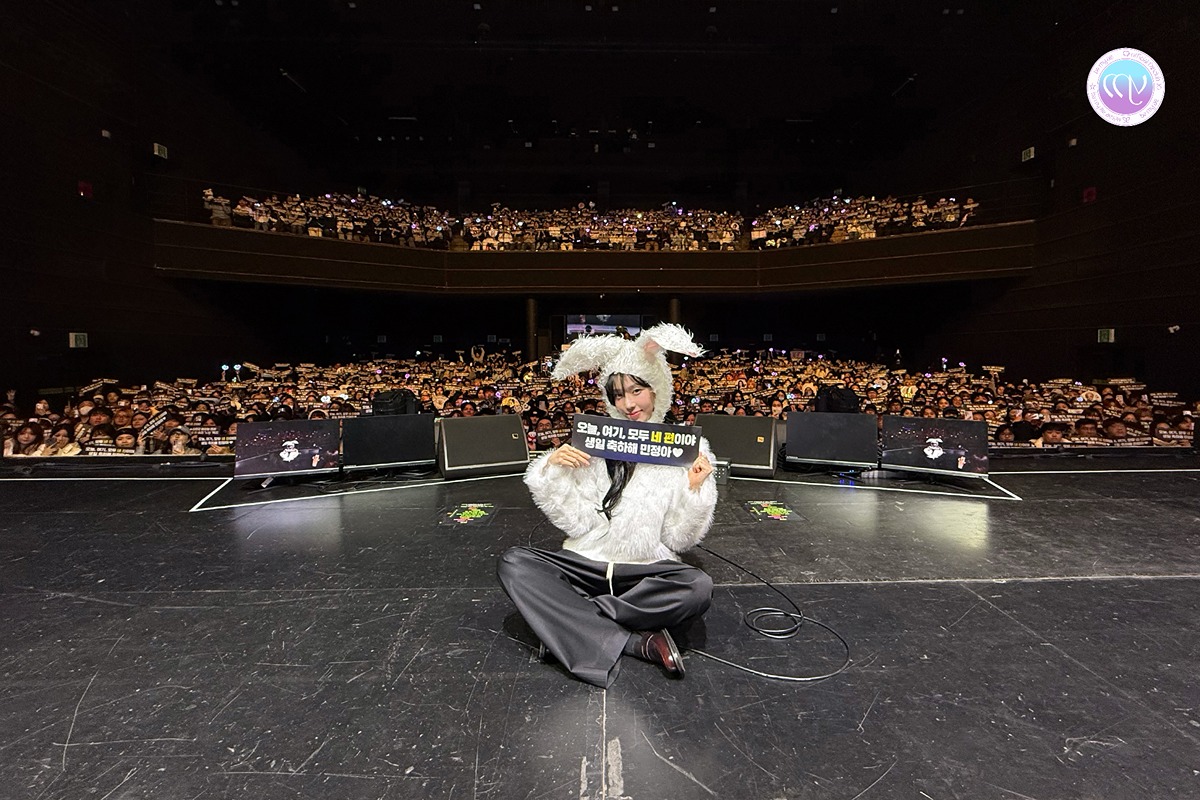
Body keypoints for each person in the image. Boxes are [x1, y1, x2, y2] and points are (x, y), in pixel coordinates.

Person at [497, 324, 717, 688]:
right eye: (618, 396)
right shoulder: (594, 444)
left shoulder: (687, 451)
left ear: (657, 389)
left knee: (697, 586)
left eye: (637, 391)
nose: (628, 405)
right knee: (515, 563)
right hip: (587, 561)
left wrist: (695, 490)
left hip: (643, 571)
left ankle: (567, 620)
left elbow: (680, 540)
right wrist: (553, 469)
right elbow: (577, 522)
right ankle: (634, 642)